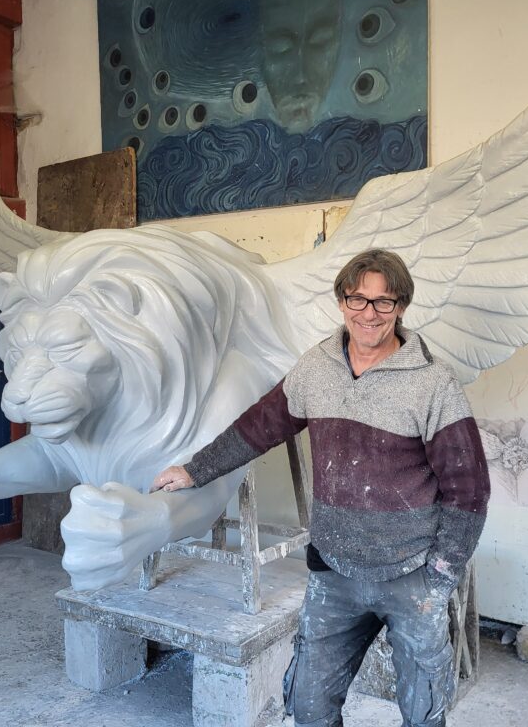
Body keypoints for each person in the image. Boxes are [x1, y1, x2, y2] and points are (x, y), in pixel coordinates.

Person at [152, 248, 490, 727]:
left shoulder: (433, 384)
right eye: (358, 299)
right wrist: (195, 470)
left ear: (401, 307)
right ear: (341, 301)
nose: (369, 313)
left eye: (384, 302)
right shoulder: (316, 368)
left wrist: (440, 577)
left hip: (411, 575)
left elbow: (469, 490)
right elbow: (259, 426)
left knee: (423, 713)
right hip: (334, 574)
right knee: (309, 707)